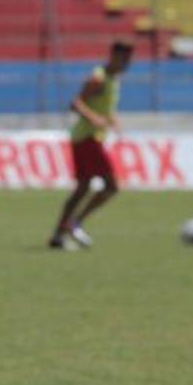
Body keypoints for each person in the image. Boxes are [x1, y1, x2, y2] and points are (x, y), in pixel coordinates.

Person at [49, 40, 134, 250]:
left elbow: (103, 105)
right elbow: (75, 103)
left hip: (89, 138)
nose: (126, 63)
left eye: (129, 60)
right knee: (112, 185)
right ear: (114, 56)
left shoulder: (114, 80)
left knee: (82, 188)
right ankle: (75, 223)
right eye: (124, 58)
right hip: (88, 138)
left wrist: (112, 118)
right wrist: (94, 118)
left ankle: (58, 236)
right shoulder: (98, 78)